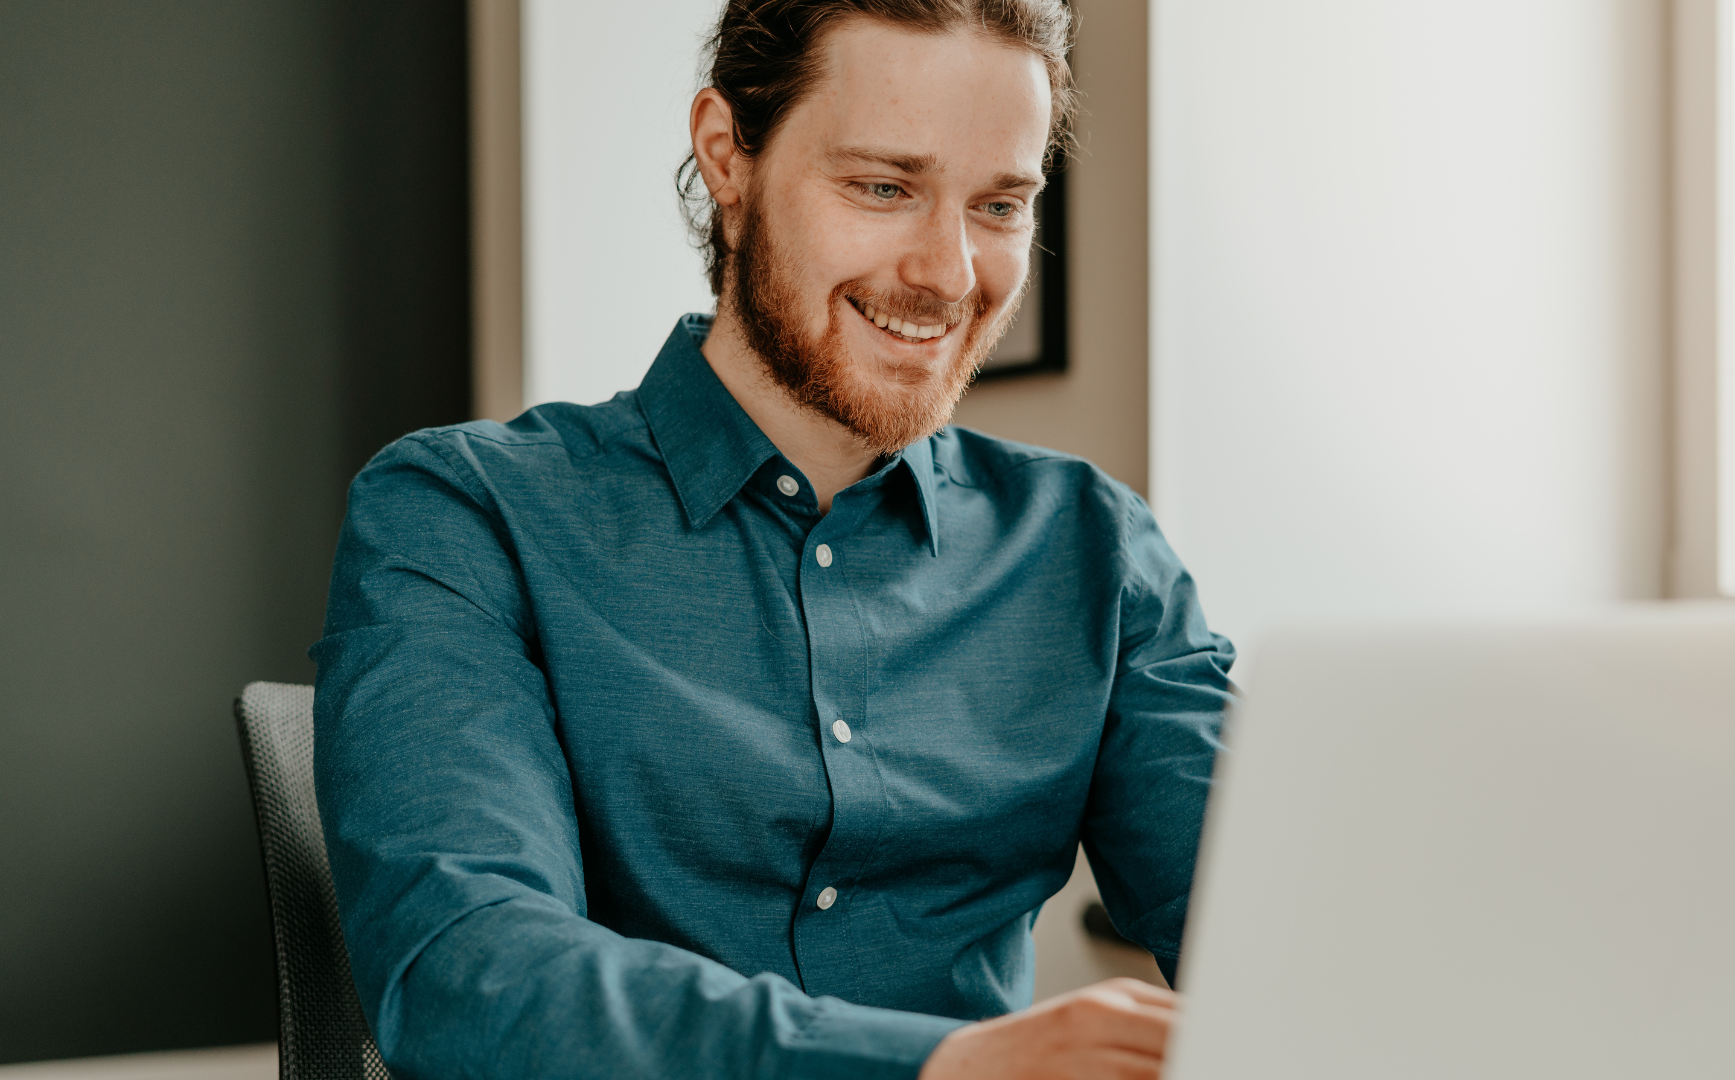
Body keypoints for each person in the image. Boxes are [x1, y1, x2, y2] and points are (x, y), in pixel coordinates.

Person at [311, 1, 1233, 1076]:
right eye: (884, 187)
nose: (949, 272)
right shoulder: (464, 512)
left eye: (999, 204)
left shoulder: (1093, 550)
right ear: (726, 157)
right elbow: (467, 972)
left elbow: (1284, 928)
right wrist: (933, 1070)